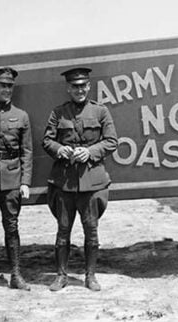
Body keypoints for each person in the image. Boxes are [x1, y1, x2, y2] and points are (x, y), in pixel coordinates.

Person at [42, 67, 118, 292]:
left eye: (83, 85)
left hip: (91, 181)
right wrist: (59, 149)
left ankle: (91, 276)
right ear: (68, 88)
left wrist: (91, 152)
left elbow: (112, 141)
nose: (79, 90)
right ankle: (61, 276)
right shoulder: (58, 113)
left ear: (89, 86)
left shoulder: (100, 112)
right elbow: (46, 141)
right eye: (75, 86)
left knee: (91, 231)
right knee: (63, 231)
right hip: (64, 182)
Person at [0, 67, 33, 291]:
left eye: (10, 86)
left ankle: (16, 275)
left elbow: (27, 151)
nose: (7, 90)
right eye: (2, 85)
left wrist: (25, 182)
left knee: (11, 227)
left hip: (12, 178)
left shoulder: (21, 116)